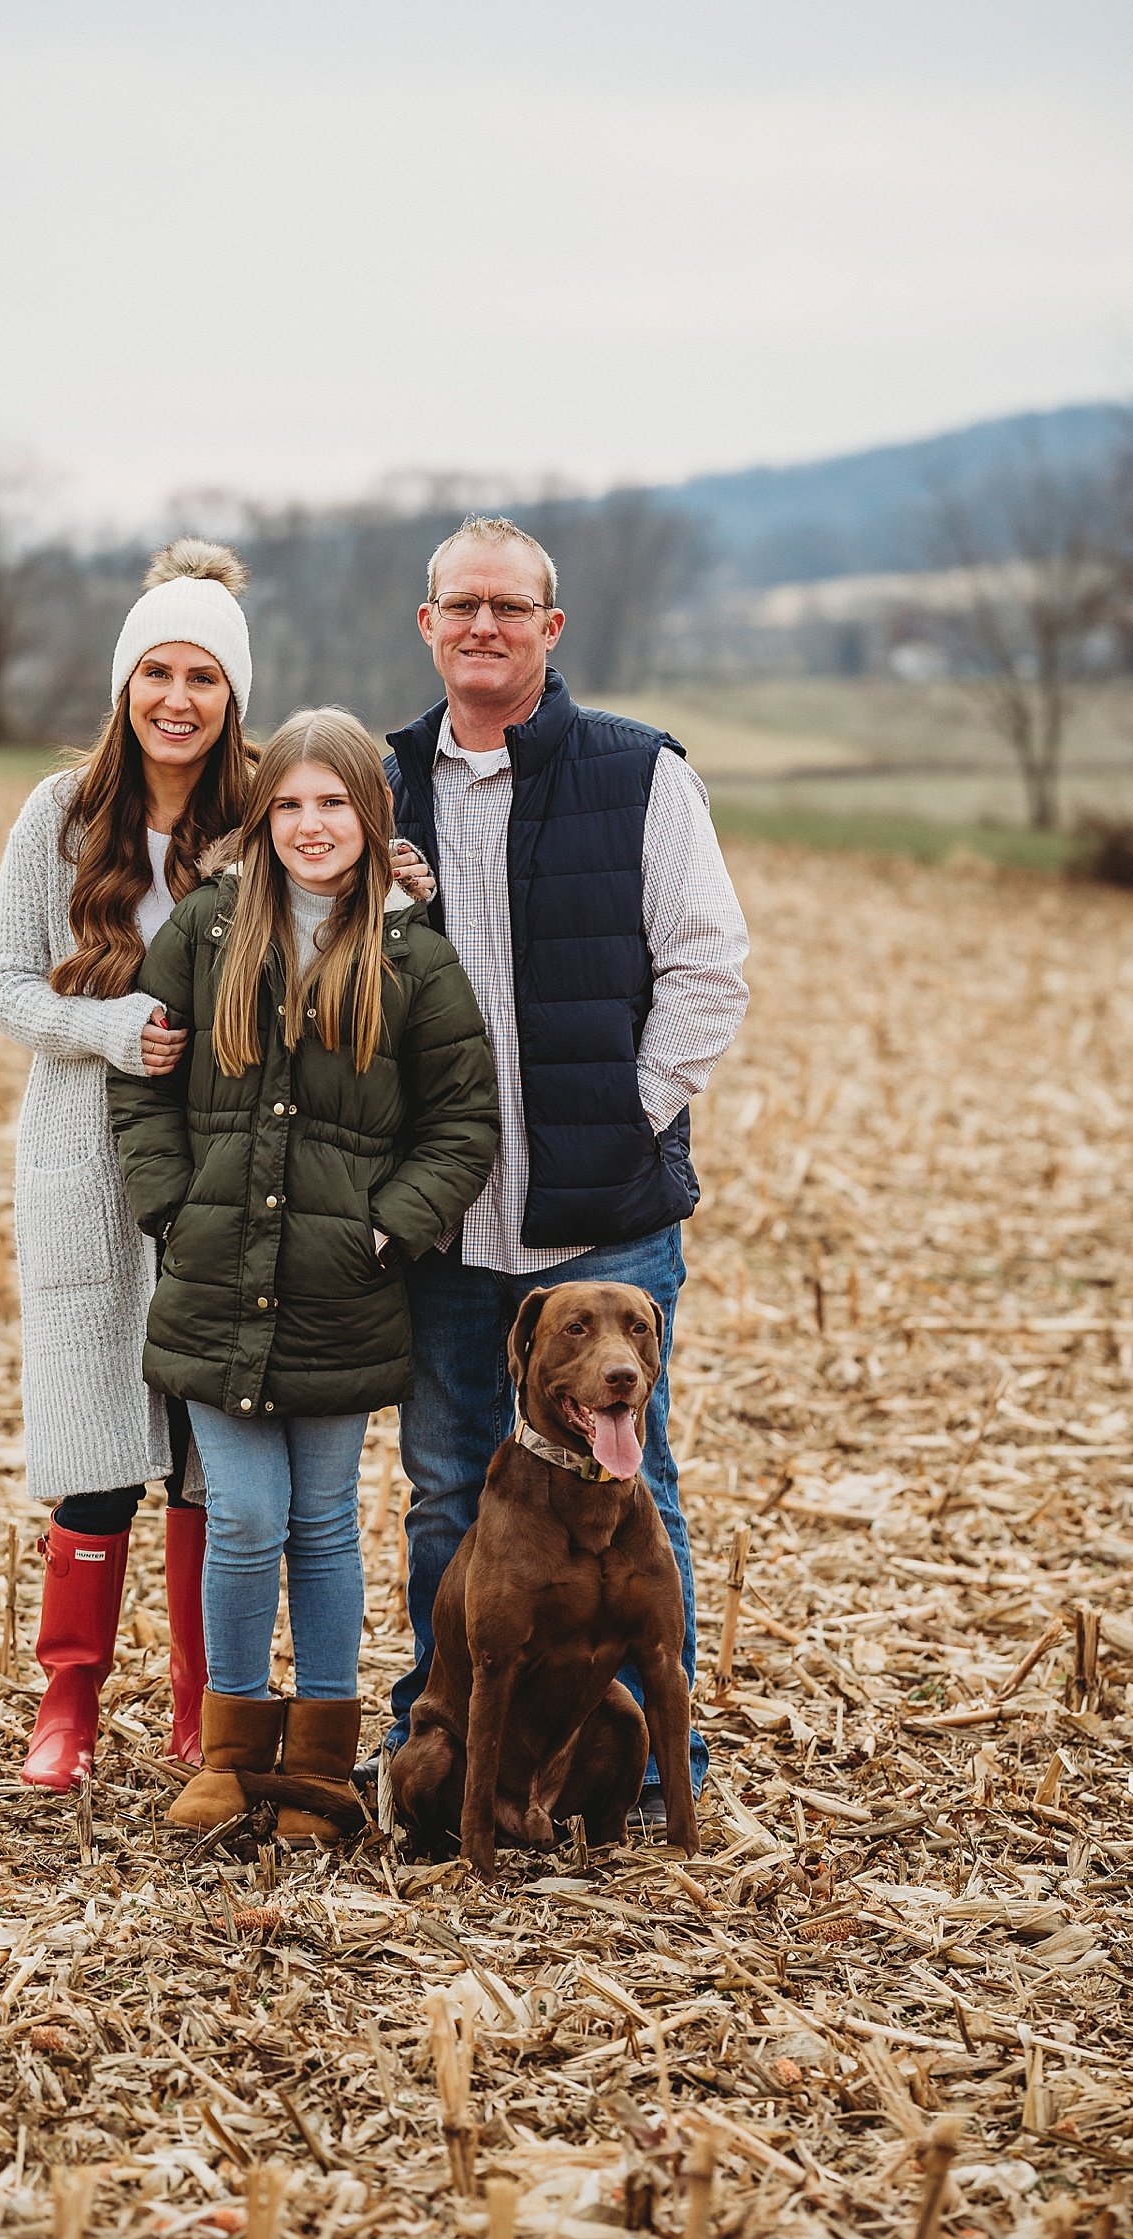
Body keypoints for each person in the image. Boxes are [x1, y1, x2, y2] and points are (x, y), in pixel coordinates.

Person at [375, 514, 751, 1818]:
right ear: (426, 625)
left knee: (633, 1493)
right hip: (444, 1228)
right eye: (459, 603)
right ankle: (455, 1776)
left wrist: (628, 1116)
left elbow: (710, 966)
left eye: (509, 605)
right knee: (445, 1498)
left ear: (552, 627)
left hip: (601, 1230)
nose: (483, 624)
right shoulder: (374, 789)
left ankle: (653, 1774)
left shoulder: (638, 773)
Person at [108, 708, 499, 1843]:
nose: (311, 825)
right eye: (288, 804)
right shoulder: (205, 931)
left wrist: (387, 1231)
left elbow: (462, 1121)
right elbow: (143, 1079)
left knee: (324, 1524)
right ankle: (230, 1761)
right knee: (242, 1517)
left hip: (345, 1294)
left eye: (334, 803)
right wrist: (171, 1207)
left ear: (371, 819)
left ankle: (321, 1770)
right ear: (262, 817)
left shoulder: (414, 957)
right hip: (215, 1285)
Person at [0, 538, 254, 1789]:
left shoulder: (258, 823)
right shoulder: (61, 814)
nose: (178, 699)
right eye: (158, 672)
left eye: (204, 675)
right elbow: (1, 987)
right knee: (95, 1463)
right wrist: (104, 1029)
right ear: (124, 684)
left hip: (219, 1173)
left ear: (232, 695)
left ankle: (203, 1714)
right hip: (85, 1166)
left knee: (205, 1461)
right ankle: (69, 1707)